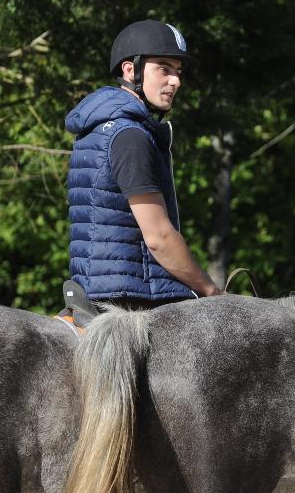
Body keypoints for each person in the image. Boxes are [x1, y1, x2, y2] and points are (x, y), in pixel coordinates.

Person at [64, 19, 220, 307]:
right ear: (130, 69)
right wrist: (212, 291)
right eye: (164, 68)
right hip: (133, 301)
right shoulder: (130, 136)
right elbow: (159, 236)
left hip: (98, 290)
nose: (176, 81)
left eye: (178, 71)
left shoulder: (100, 128)